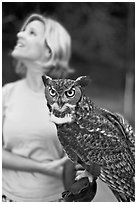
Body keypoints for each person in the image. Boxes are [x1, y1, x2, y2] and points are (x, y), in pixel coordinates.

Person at [2, 13, 75, 202]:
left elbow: (78, 163)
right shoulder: (6, 93)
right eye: (23, 30)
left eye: (31, 33)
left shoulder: (70, 103)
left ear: (49, 52)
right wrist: (43, 167)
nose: (20, 35)